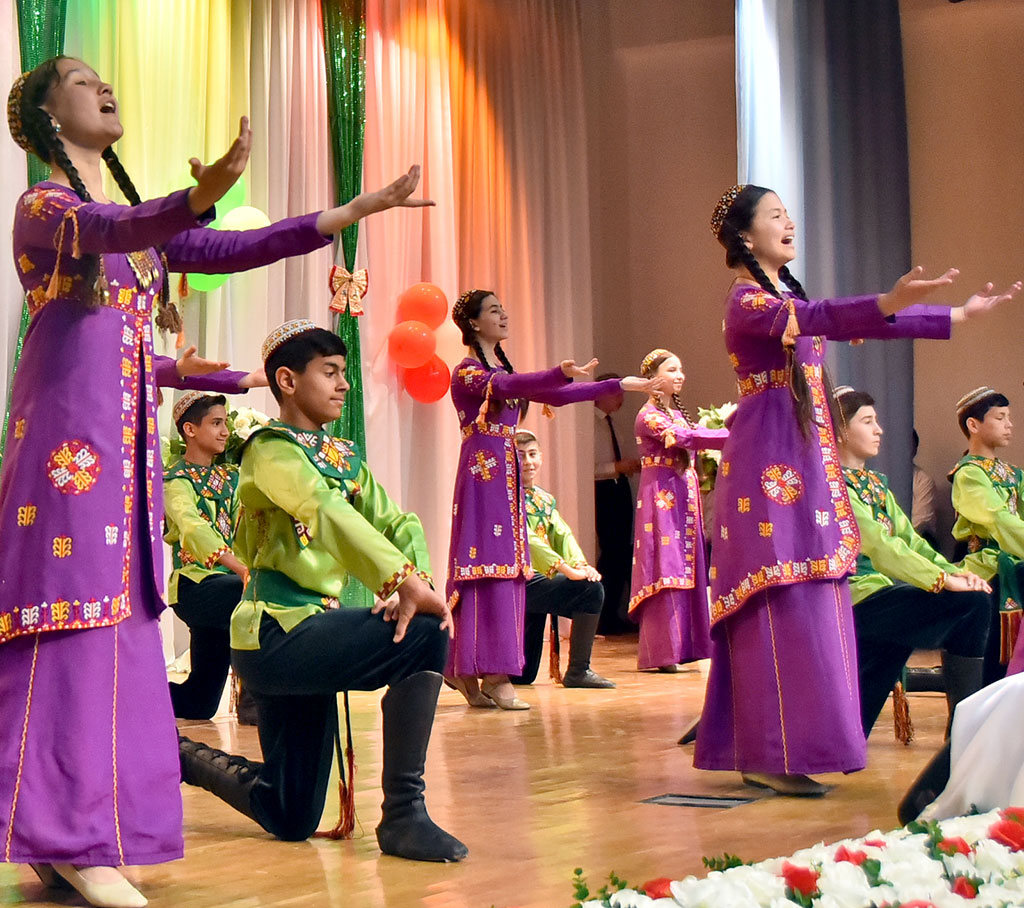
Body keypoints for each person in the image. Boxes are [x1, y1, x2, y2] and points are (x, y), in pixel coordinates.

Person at [0, 55, 432, 906]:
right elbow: (125, 240)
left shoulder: (123, 221)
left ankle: (78, 833)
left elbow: (232, 246)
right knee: (72, 630)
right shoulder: (45, 208)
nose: (103, 84)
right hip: (65, 465)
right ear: (48, 117)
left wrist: (351, 211)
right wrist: (199, 194)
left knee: (116, 634)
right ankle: (72, 836)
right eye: (82, 80)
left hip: (118, 465)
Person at [692, 183, 1018, 797]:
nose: (789, 223)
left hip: (801, 454)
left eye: (789, 213)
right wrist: (887, 298)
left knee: (814, 595)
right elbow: (824, 319)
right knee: (777, 596)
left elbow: (857, 324)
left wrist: (958, 316)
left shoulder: (786, 292)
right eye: (774, 216)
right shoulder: (747, 302)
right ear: (744, 235)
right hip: (769, 465)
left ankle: (796, 744)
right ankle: (764, 748)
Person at [178, 322, 466, 863]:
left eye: (343, 373)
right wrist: (399, 580)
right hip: (273, 631)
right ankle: (405, 815)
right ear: (287, 380)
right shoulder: (268, 450)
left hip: (311, 631)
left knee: (289, 815)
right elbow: (321, 509)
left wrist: (418, 579)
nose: (343, 385)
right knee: (425, 632)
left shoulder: (343, 455)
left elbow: (397, 521)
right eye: (329, 372)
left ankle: (180, 757)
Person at [445, 289, 651, 710]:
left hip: (505, 473)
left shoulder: (503, 369)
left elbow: (554, 395)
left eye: (504, 308)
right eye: (493, 311)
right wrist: (558, 370)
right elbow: (509, 385)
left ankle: (483, 668)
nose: (503, 315)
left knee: (511, 567)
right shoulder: (466, 372)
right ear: (473, 323)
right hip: (483, 476)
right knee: (489, 565)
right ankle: (483, 670)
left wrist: (616, 384)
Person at [835, 387, 990, 737]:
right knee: (972, 605)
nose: (879, 430)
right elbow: (880, 545)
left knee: (974, 599)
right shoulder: (832, 486)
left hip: (883, 593)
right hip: (853, 596)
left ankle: (964, 730)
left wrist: (956, 572)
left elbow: (908, 540)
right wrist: (939, 579)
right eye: (868, 421)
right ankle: (966, 733)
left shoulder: (875, 484)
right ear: (841, 430)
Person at [628, 348, 727, 673]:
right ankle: (664, 650)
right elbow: (687, 438)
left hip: (683, 497)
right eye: (672, 370)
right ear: (653, 379)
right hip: (662, 500)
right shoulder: (650, 416)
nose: (679, 375)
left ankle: (688, 645)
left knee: (688, 567)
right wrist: (730, 432)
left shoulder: (674, 413)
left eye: (680, 368)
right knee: (667, 567)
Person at [163, 391, 248, 720]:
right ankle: (266, 695)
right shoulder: (175, 480)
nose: (225, 431)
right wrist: (240, 568)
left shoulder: (233, 477)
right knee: (255, 593)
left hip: (230, 583)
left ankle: (133, 694)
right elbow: (193, 526)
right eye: (215, 423)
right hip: (196, 586)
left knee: (199, 703)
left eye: (225, 423)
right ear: (190, 430)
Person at [508, 429, 614, 689]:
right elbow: (527, 539)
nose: (528, 462)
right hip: (518, 578)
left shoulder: (544, 500)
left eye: (532, 454)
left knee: (523, 675)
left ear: (541, 457)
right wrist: (564, 568)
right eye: (520, 456)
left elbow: (562, 533)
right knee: (591, 592)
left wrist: (580, 565)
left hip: (539, 578)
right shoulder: (506, 497)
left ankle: (578, 669)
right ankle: (578, 670)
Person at [950, 387, 1024, 685]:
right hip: (987, 568)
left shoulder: (1013, 473)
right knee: (991, 656)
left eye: (1010, 417)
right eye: (1000, 417)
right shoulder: (968, 473)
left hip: (1015, 562)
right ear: (973, 425)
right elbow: (996, 518)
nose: (1009, 425)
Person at [593, 375, 638, 634]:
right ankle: (602, 616)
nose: (621, 399)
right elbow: (588, 468)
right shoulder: (589, 425)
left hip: (619, 488)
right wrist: (616, 467)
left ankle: (612, 614)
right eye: (616, 393)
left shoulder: (614, 425)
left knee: (622, 552)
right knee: (611, 553)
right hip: (603, 491)